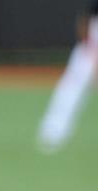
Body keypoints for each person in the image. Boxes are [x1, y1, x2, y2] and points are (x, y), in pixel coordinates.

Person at [37, 0, 98, 153]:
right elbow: (86, 18)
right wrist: (89, 48)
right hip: (89, 49)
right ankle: (53, 132)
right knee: (70, 90)